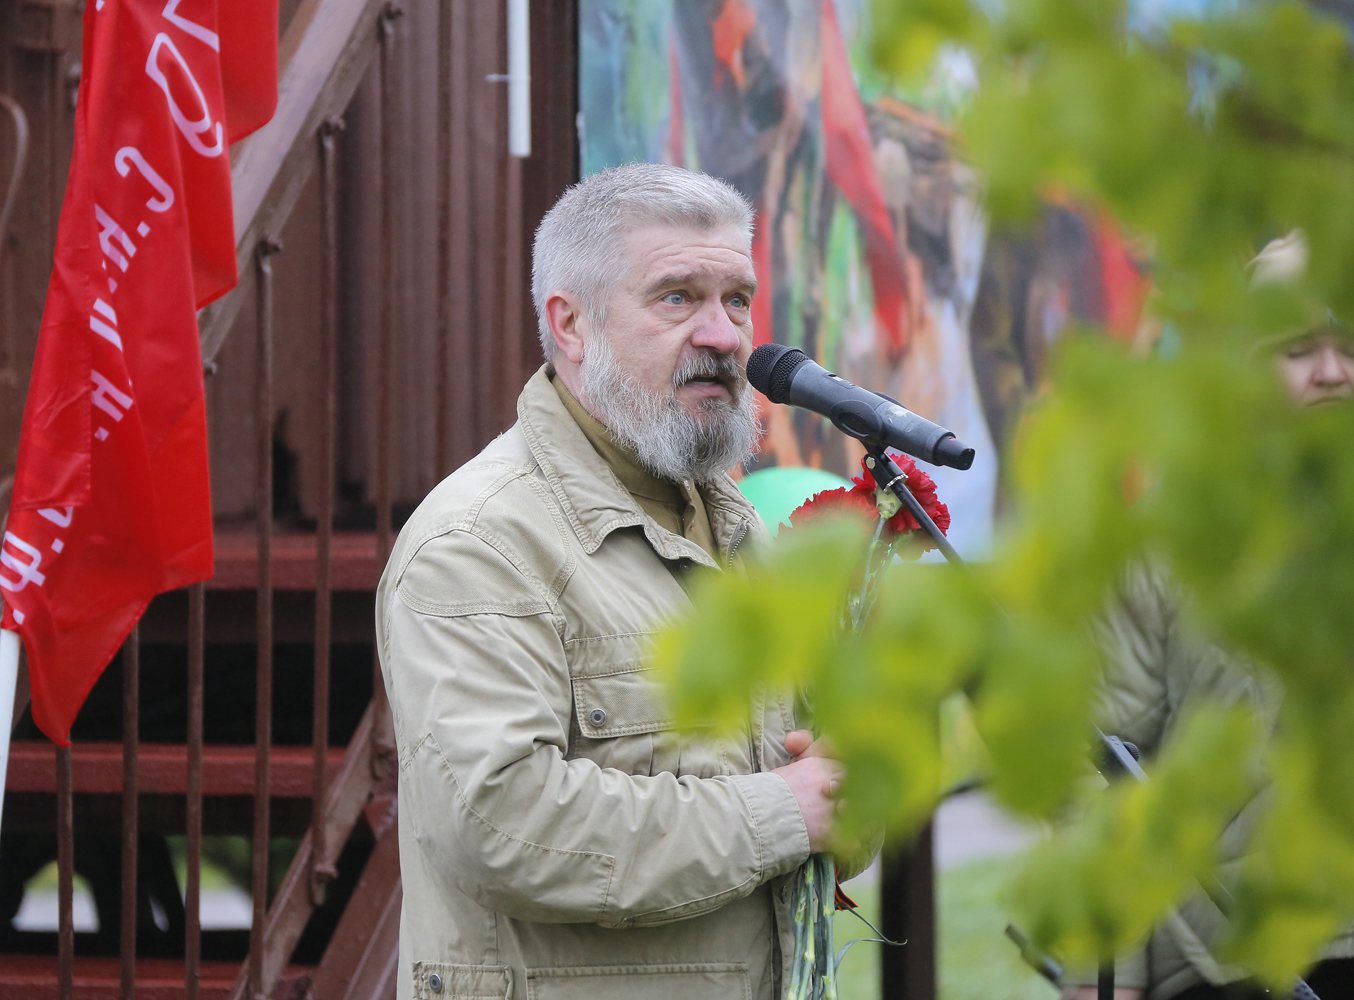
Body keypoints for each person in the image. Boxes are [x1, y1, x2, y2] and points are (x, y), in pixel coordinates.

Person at [376, 163, 849, 1000]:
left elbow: (813, 790)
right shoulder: (477, 541)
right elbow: (500, 823)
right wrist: (784, 812)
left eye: (737, 300)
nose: (723, 336)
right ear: (572, 325)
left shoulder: (736, 528)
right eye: (677, 298)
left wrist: (852, 789)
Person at [1063, 234, 1354, 1000]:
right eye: (1297, 350)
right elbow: (1103, 767)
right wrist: (1103, 973)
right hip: (1223, 955)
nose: (1332, 372)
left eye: (1349, 347)